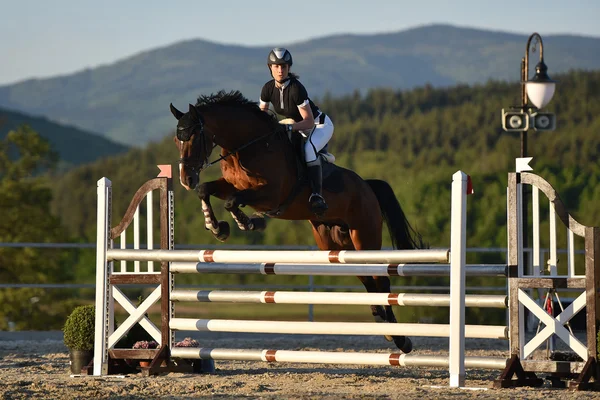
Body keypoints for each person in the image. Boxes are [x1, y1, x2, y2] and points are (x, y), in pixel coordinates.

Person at [259, 47, 333, 215]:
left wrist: (287, 127)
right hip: (299, 128)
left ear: (289, 68)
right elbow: (261, 116)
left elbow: (307, 122)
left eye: (284, 66)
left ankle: (317, 195)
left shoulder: (296, 89)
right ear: (270, 68)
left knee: (308, 149)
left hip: (319, 126)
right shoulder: (267, 89)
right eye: (276, 66)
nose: (280, 70)